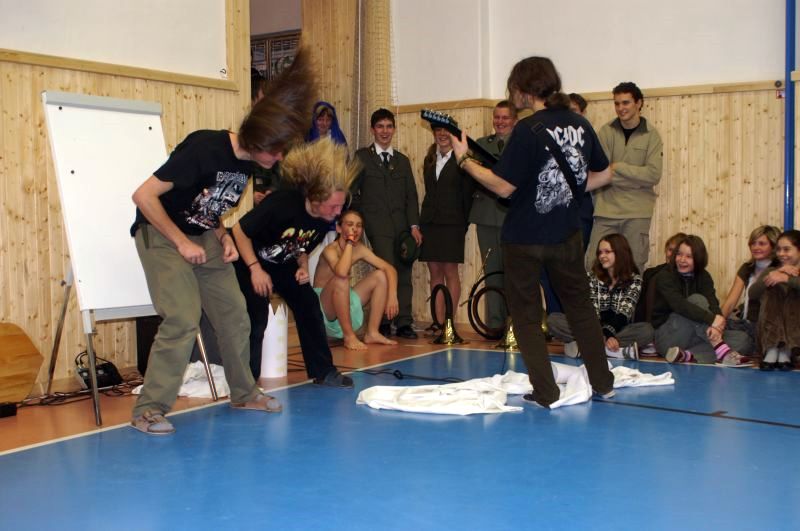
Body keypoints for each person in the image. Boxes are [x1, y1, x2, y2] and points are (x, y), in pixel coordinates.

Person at [128, 48, 316, 435]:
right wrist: (182, 243)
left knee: (235, 315)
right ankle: (148, 410)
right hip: (161, 234)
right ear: (258, 141)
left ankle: (244, 393)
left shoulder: (248, 162)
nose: (279, 157)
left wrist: (222, 234)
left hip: (203, 236)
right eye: (276, 150)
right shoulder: (204, 149)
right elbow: (144, 197)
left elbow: (209, 203)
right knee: (182, 318)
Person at [451, 56, 616, 408]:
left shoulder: (527, 129)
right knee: (581, 309)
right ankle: (603, 382)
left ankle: (546, 391)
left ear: (524, 89)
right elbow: (604, 175)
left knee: (526, 316)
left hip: (525, 237)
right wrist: (566, 191)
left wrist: (465, 161)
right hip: (567, 234)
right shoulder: (580, 123)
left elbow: (504, 187)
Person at [232, 138, 359, 387]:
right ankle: (246, 382)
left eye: (341, 206)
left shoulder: (323, 220)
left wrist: (302, 266)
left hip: (282, 262)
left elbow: (301, 245)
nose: (338, 213)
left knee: (308, 303)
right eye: (334, 206)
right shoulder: (283, 203)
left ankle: (323, 371)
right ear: (316, 199)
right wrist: (255, 270)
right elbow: (238, 231)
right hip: (249, 259)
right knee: (257, 314)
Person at [351, 108, 422, 339]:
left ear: (394, 129)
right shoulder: (362, 157)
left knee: (404, 272)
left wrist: (414, 226)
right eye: (380, 126)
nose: (385, 131)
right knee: (386, 268)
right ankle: (382, 321)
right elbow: (352, 192)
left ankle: (404, 322)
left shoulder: (402, 160)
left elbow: (411, 196)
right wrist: (361, 220)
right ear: (373, 129)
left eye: (389, 126)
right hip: (377, 225)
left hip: (402, 226)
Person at [587, 82, 663, 273]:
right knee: (592, 265)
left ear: (639, 103)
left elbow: (653, 174)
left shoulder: (652, 135)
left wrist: (618, 167)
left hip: (637, 213)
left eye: (626, 103)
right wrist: (636, 181)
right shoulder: (605, 132)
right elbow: (599, 172)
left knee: (634, 267)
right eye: (617, 103)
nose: (621, 108)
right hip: (606, 211)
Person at [651, 235, 753, 366]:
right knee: (697, 300)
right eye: (679, 254)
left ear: (698, 259)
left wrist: (718, 323)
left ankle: (687, 356)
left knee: (743, 340)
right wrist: (711, 320)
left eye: (689, 256)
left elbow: (713, 304)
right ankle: (720, 349)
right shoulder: (665, 276)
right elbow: (680, 305)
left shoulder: (704, 276)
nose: (682, 260)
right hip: (669, 337)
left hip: (698, 336)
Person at [548, 234, 654, 360]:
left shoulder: (635, 280)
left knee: (647, 330)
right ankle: (611, 350)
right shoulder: (591, 277)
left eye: (607, 252)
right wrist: (602, 336)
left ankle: (586, 347)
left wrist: (608, 335)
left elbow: (624, 314)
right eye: (600, 252)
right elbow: (591, 313)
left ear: (620, 253)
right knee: (554, 320)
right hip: (591, 326)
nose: (602, 256)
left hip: (618, 330)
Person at [312, 209, 399, 350]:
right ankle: (349, 337)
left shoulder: (360, 249)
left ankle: (372, 333)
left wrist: (392, 296)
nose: (355, 229)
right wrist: (349, 243)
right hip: (323, 307)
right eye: (350, 224)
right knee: (341, 279)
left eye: (359, 225)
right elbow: (341, 272)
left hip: (342, 296)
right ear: (339, 228)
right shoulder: (330, 250)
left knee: (381, 276)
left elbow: (390, 269)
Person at [419, 126, 474, 333]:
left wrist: (463, 223)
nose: (442, 135)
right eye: (438, 131)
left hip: (453, 223)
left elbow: (467, 194)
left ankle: (449, 322)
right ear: (433, 133)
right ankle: (438, 321)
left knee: (450, 271)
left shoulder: (463, 160)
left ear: (453, 135)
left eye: (446, 131)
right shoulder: (429, 159)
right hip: (430, 222)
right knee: (434, 271)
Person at [468, 100, 517, 330]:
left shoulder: (521, 144)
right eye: (497, 117)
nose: (500, 122)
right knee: (491, 273)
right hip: (486, 215)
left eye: (505, 117)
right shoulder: (481, 144)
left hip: (513, 217)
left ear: (514, 120)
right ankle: (495, 325)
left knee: (514, 273)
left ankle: (515, 325)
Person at [719, 225, 781, 344]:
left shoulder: (778, 269)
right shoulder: (747, 268)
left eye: (762, 244)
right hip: (746, 323)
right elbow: (730, 302)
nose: (756, 247)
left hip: (766, 328)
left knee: (742, 341)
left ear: (773, 246)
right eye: (753, 243)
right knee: (709, 325)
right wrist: (717, 324)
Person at [748, 229, 800, 371]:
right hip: (769, 333)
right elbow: (752, 294)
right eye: (778, 249)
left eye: (786, 249)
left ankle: (787, 349)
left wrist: (788, 279)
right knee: (773, 289)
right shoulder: (773, 270)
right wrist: (775, 274)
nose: (781, 254)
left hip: (796, 334)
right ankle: (773, 348)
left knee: (792, 294)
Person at [635, 231, 687, 323]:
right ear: (665, 250)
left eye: (676, 252)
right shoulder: (650, 273)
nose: (671, 255)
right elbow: (640, 307)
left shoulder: (688, 277)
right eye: (670, 250)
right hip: (646, 326)